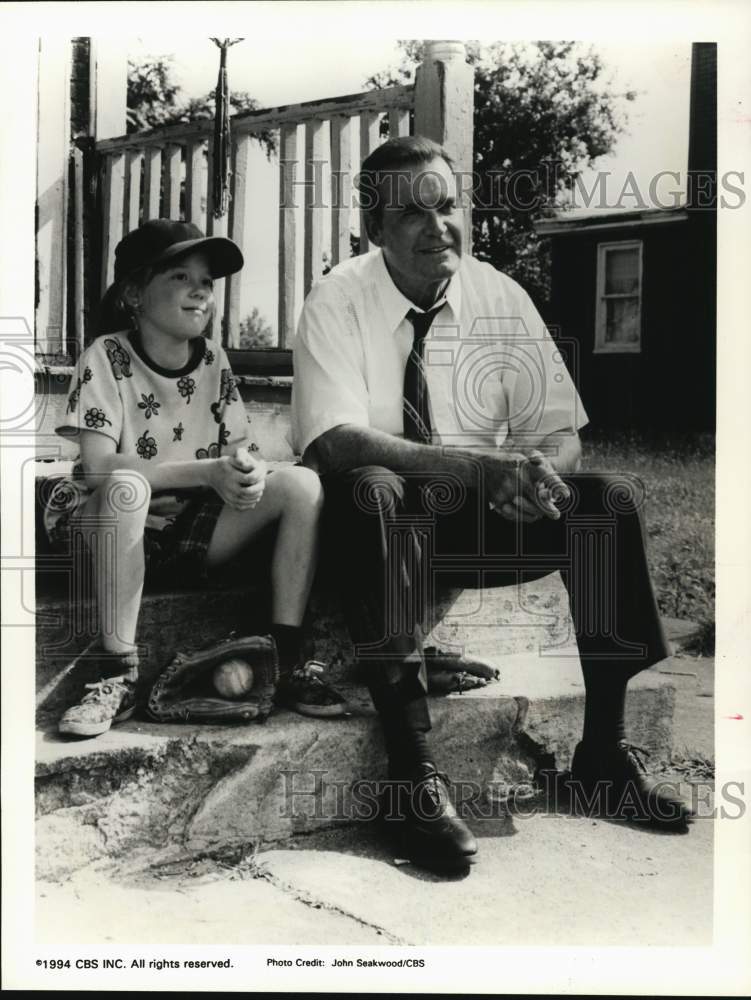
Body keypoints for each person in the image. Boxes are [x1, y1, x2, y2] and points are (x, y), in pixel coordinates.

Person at [290, 136, 693, 873]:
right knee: (372, 486)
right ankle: (413, 777)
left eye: (446, 205)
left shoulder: (497, 295)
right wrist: (479, 467)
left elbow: (559, 430)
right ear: (373, 226)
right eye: (410, 212)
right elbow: (333, 442)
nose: (435, 225)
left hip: (478, 525)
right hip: (381, 531)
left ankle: (601, 754)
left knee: (604, 500)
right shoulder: (337, 297)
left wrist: (535, 477)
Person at [45, 219, 346, 738]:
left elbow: (236, 450)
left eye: (206, 280)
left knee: (301, 485)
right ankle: (115, 675)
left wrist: (245, 470)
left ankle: (286, 658)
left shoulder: (214, 360)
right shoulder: (105, 357)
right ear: (135, 294)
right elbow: (97, 467)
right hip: (107, 533)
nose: (201, 290)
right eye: (180, 276)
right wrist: (203, 474)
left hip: (187, 532)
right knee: (126, 487)